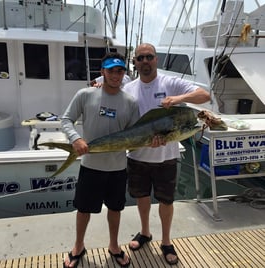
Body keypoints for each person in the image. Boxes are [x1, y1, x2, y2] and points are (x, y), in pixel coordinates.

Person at [122, 43, 210, 265]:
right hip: (137, 156)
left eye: (149, 57)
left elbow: (204, 95)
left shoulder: (169, 83)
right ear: (135, 62)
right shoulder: (128, 89)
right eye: (140, 58)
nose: (145, 61)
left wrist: (177, 99)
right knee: (141, 197)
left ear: (156, 59)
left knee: (166, 201)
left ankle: (166, 241)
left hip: (166, 157)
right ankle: (145, 232)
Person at [61, 52, 140, 268]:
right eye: (111, 70)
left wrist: (150, 142)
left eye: (120, 70)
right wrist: (76, 138)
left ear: (124, 73)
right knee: (83, 209)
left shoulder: (131, 102)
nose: (116, 75)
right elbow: (66, 119)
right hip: (90, 167)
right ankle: (78, 246)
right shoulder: (85, 94)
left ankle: (114, 245)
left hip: (117, 169)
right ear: (102, 71)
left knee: (116, 209)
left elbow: (135, 136)